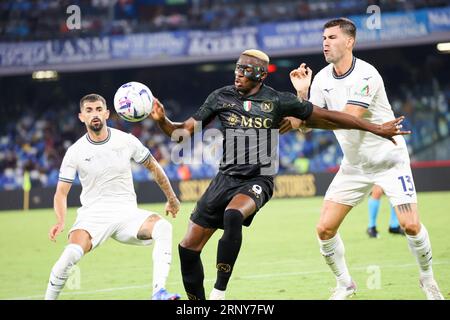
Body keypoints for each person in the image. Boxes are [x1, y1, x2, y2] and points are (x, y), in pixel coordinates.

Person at [149, 49, 407, 300]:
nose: (238, 74)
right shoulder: (220, 97)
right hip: (224, 178)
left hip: (258, 179)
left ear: (260, 75)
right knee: (187, 249)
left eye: (245, 69)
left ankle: (219, 291)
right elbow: (180, 133)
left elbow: (330, 116)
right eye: (237, 68)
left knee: (233, 214)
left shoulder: (278, 101)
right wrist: (162, 120)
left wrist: (376, 128)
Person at [283, 18, 444, 300]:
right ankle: (345, 284)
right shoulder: (321, 79)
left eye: (332, 37)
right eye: (323, 38)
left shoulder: (367, 75)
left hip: (389, 159)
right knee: (324, 228)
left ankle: (428, 281)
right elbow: (306, 126)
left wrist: (305, 112)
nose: (325, 43)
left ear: (349, 42)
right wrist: (301, 95)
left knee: (411, 225)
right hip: (354, 165)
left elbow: (347, 119)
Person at [44, 94, 181, 300]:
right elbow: (61, 192)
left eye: (99, 109)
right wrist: (60, 220)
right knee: (70, 255)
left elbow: (154, 166)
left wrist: (172, 198)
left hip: (127, 214)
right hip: (93, 216)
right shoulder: (75, 152)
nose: (94, 114)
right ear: (81, 117)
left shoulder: (125, 140)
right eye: (89, 111)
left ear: (107, 113)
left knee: (163, 227)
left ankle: (158, 292)